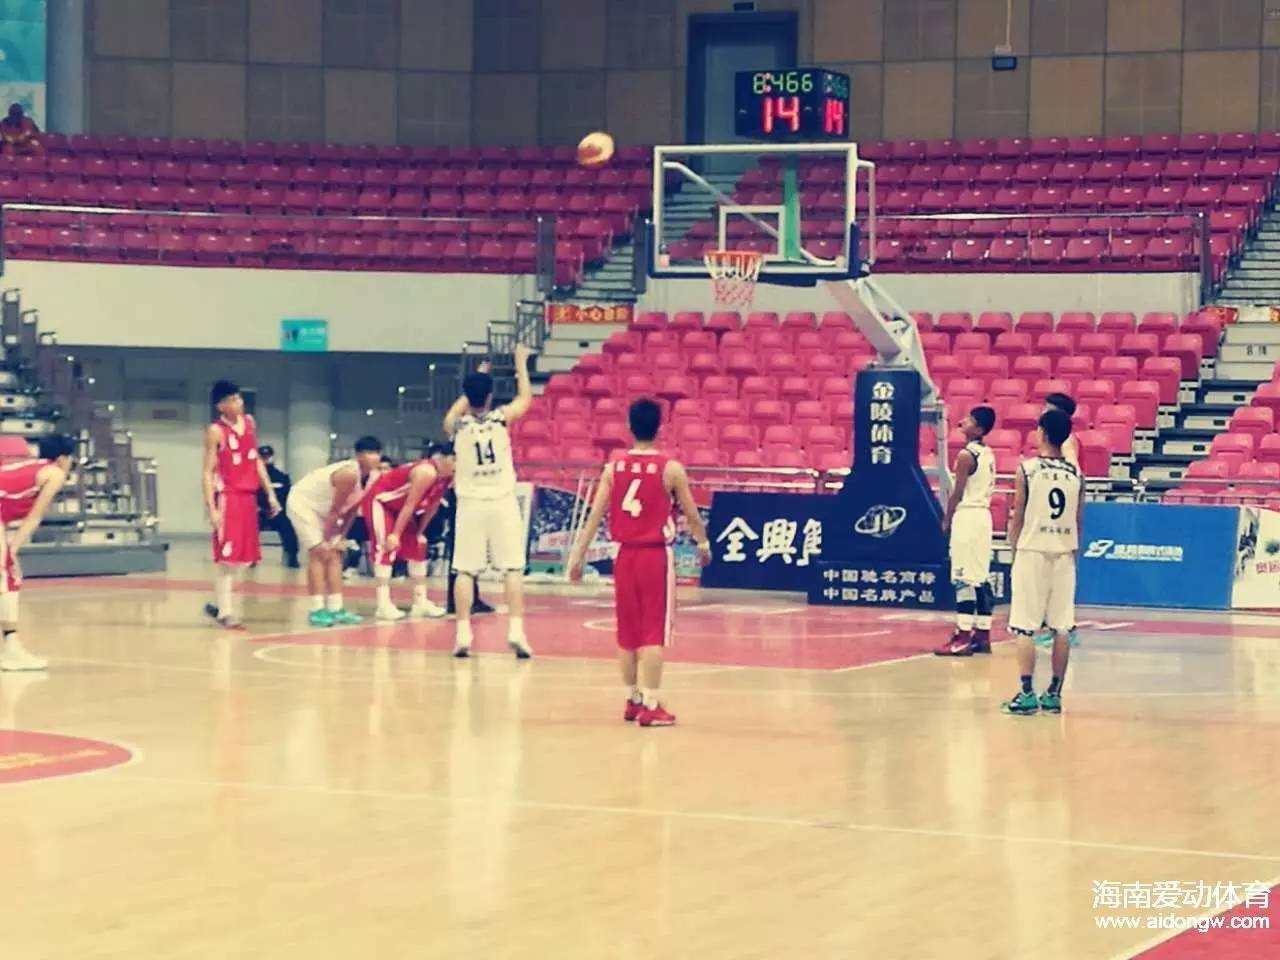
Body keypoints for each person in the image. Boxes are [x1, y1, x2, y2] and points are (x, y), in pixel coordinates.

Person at [566, 398, 712, 727]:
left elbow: (594, 516)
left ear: (629, 427)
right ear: (659, 428)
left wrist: (577, 557)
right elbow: (692, 514)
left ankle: (632, 698)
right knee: (652, 634)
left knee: (628, 633)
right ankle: (651, 703)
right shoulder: (670, 469)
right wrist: (703, 545)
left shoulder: (613, 468)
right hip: (654, 556)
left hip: (623, 555)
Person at [444, 346, 534, 658]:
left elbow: (452, 413)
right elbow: (525, 398)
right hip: (502, 501)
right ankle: (516, 631)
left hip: (470, 504)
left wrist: (476, 379)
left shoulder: (458, 426)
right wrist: (520, 363)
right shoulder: (500, 419)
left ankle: (463, 634)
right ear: (491, 396)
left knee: (465, 571)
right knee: (512, 568)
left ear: (467, 397)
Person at [1002, 409, 1084, 716]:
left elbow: (1018, 516)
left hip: (1032, 551)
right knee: (1062, 627)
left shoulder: (1027, 470)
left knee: (1025, 626)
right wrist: (1073, 553)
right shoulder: (1077, 475)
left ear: (1044, 433)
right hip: (1064, 552)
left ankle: (1026, 694)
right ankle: (1054, 694)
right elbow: (1078, 520)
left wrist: (1014, 547)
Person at [202, 380, 280, 629]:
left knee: (244, 559)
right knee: (227, 558)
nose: (238, 403)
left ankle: (218, 603)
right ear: (220, 406)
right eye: (232, 399)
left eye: (239, 398)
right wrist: (212, 508)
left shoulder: (249, 423)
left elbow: (255, 460)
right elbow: (207, 471)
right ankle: (226, 612)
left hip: (248, 497)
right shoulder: (215, 431)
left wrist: (270, 493)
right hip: (228, 497)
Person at [287, 436, 384, 627]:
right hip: (304, 504)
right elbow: (335, 510)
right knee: (319, 553)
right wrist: (325, 539)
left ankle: (336, 608)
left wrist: (341, 536)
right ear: (359, 456)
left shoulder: (374, 477)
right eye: (369, 453)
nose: (374, 457)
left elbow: (352, 509)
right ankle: (316, 610)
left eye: (377, 453)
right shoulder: (348, 474)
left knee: (336, 553)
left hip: (326, 508)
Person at [0, 435, 76, 670]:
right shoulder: (55, 473)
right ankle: (11, 650)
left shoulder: (31, 467)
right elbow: (35, 517)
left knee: (9, 576)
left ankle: (11, 646)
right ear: (63, 458)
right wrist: (13, 550)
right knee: (7, 576)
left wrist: (10, 551)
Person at [360, 442, 455, 621]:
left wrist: (419, 532)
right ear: (445, 458)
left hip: (399, 508)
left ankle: (420, 601)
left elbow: (432, 506)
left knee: (418, 547)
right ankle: (383, 604)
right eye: (456, 460)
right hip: (380, 502)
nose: (458, 465)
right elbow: (410, 504)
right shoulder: (426, 472)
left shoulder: (448, 477)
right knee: (386, 547)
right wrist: (395, 535)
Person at [936, 405, 997, 657]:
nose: (963, 421)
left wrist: (947, 519)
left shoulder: (965, 455)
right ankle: (982, 634)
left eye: (970, 420)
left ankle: (962, 635)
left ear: (979, 429)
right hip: (983, 517)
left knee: (963, 578)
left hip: (969, 515)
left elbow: (957, 493)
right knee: (980, 577)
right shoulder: (988, 452)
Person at [435, 487, 494, 616]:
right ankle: (455, 602)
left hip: (474, 503)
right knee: (460, 556)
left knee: (473, 553)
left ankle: (473, 597)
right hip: (462, 505)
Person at [257, 445, 299, 569]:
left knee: (288, 529)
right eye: (263, 457)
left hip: (278, 511)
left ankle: (292, 556)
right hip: (259, 511)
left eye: (267, 456)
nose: (266, 459)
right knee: (248, 528)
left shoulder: (281, 476)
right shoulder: (252, 476)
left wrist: (279, 509)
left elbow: (287, 495)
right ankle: (248, 557)